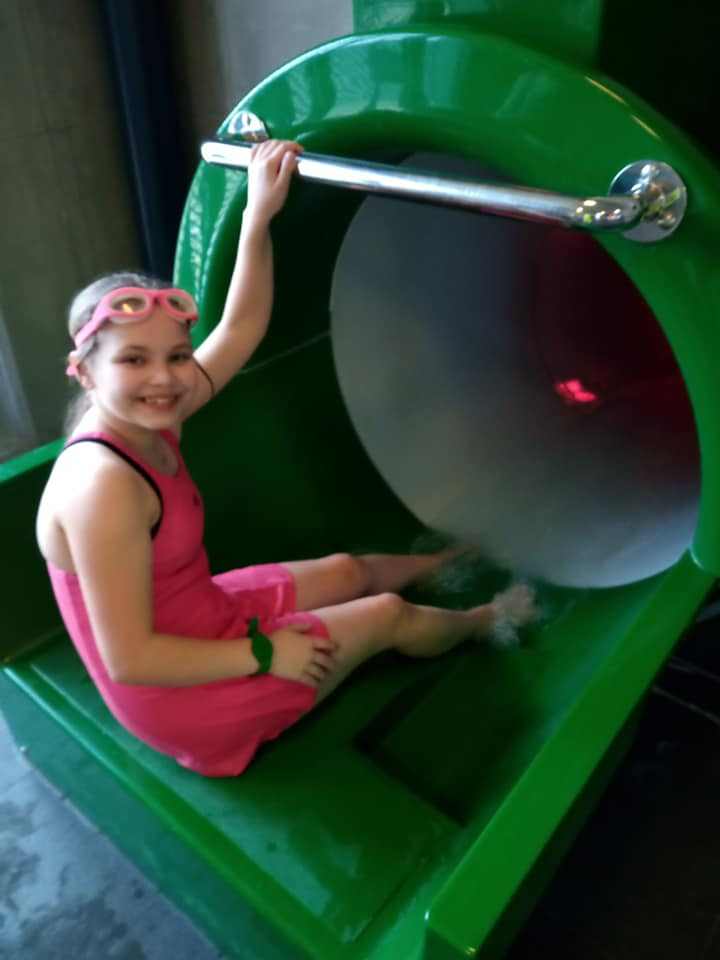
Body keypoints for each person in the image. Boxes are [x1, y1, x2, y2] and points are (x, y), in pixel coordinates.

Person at [35, 139, 537, 777]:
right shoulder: (102, 486)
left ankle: (446, 561)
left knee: (348, 570)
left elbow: (239, 329)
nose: (164, 378)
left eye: (176, 355)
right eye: (134, 360)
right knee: (386, 615)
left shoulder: (150, 412)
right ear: (84, 372)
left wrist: (257, 216)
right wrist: (266, 654)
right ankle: (489, 618)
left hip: (200, 615)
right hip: (181, 693)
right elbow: (130, 660)